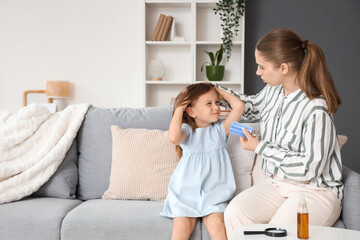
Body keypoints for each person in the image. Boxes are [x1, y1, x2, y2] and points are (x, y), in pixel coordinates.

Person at [217, 28, 343, 240]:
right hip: (276, 183)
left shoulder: (316, 109)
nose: (258, 72)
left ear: (283, 68)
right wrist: (215, 92)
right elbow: (251, 106)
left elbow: (309, 168)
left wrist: (259, 147)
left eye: (261, 67)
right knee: (235, 213)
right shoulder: (274, 91)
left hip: (314, 191)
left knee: (276, 234)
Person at [161, 82, 244, 240]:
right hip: (185, 195)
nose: (216, 107)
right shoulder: (187, 132)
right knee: (182, 227)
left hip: (214, 196)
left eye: (217, 102)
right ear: (191, 111)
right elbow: (173, 137)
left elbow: (239, 106)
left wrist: (217, 91)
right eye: (209, 103)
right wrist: (179, 107)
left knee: (217, 225)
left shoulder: (220, 131)